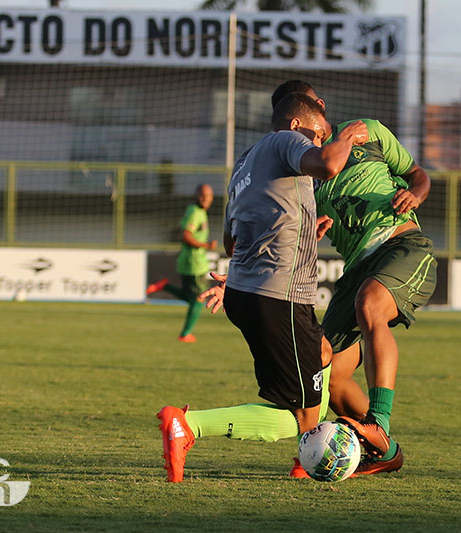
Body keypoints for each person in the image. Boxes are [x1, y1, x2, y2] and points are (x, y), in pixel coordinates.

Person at [156, 94, 369, 482]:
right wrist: (348, 136)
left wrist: (293, 237)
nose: (319, 142)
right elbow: (329, 164)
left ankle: (304, 458)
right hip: (278, 296)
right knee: (299, 418)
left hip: (252, 291)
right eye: (318, 133)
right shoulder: (287, 141)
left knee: (323, 352)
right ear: (296, 125)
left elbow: (231, 241)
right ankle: (189, 426)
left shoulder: (244, 164)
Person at [273, 80, 438, 475]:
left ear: (316, 108)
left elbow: (418, 174)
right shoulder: (304, 172)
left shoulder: (369, 132)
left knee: (370, 304)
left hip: (402, 245)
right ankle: (385, 450)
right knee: (325, 370)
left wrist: (415, 194)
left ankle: (378, 423)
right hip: (356, 269)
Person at [146, 184, 218, 343]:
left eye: (208, 196)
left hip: (189, 260)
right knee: (199, 298)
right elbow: (186, 236)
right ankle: (185, 333)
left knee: (189, 296)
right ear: (196, 195)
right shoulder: (195, 212)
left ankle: (164, 285)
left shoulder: (197, 211)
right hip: (194, 263)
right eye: (202, 195)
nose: (205, 199)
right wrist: (206, 245)